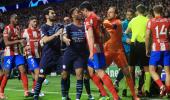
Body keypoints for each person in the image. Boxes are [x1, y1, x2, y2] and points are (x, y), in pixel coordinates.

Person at [80, 1, 120, 100]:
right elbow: (107, 36)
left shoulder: (89, 19)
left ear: (85, 10)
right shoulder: (98, 18)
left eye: (82, 12)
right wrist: (100, 43)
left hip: (94, 48)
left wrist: (91, 51)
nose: (82, 14)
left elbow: (90, 36)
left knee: (99, 71)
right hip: (99, 47)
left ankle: (116, 97)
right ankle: (104, 94)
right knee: (91, 72)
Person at [103, 6, 139, 100]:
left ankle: (134, 96)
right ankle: (110, 93)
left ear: (116, 14)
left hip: (119, 52)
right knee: (100, 71)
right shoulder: (106, 22)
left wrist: (103, 23)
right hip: (107, 51)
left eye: (111, 12)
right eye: (108, 12)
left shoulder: (118, 23)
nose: (108, 13)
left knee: (127, 73)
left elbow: (111, 25)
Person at [62, 7, 94, 100]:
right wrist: (65, 39)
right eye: (77, 12)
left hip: (80, 55)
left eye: (80, 12)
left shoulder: (85, 26)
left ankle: (78, 98)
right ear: (72, 15)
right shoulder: (68, 27)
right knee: (64, 74)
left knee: (80, 75)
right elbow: (63, 36)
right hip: (69, 53)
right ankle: (64, 96)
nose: (80, 13)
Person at [33, 7, 64, 100]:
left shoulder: (58, 26)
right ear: (47, 16)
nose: (54, 14)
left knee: (64, 74)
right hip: (47, 55)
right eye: (52, 13)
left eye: (54, 13)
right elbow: (45, 39)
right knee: (41, 76)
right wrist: (56, 34)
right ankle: (36, 96)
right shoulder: (43, 27)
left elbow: (62, 37)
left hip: (58, 55)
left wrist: (65, 38)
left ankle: (65, 96)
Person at [1, 14, 31, 99]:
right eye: (16, 18)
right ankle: (1, 93)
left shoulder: (18, 28)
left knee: (23, 70)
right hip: (9, 54)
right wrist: (19, 40)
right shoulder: (6, 29)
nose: (17, 20)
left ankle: (26, 91)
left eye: (18, 18)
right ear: (11, 19)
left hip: (18, 53)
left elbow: (19, 38)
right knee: (6, 74)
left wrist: (23, 40)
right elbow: (6, 43)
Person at [125, 4, 151, 96]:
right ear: (144, 12)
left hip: (133, 45)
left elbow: (127, 31)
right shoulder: (148, 20)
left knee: (131, 68)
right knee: (146, 69)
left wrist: (134, 31)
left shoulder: (133, 20)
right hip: (143, 45)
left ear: (137, 11)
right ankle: (147, 90)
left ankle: (133, 90)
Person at [145, 5, 170, 96]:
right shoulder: (168, 21)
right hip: (167, 47)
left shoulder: (150, 21)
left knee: (151, 70)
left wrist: (147, 49)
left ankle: (161, 86)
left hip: (156, 48)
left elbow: (147, 37)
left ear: (154, 12)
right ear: (162, 11)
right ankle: (167, 92)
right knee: (168, 72)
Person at [113, 8, 134, 97]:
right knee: (128, 69)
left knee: (128, 70)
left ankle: (119, 84)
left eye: (130, 15)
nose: (128, 16)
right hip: (126, 49)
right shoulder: (123, 23)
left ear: (133, 15)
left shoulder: (134, 22)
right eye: (127, 15)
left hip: (134, 49)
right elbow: (119, 36)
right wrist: (125, 39)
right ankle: (123, 87)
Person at [22, 16, 44, 96]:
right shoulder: (26, 31)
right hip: (30, 55)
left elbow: (41, 43)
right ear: (30, 21)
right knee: (37, 71)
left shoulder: (39, 31)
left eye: (36, 21)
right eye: (34, 21)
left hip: (38, 55)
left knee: (35, 74)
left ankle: (34, 89)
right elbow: (22, 42)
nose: (36, 23)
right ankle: (37, 90)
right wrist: (25, 46)